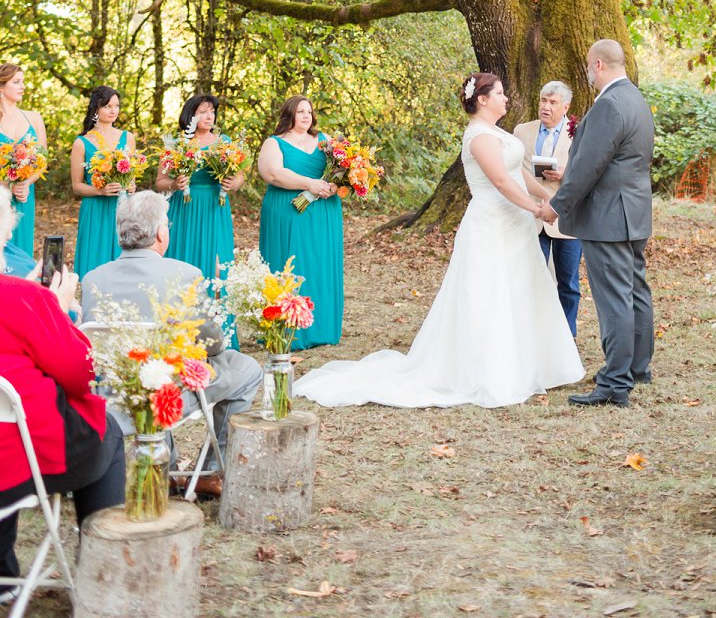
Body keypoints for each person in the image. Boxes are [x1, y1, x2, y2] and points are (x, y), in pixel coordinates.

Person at [299, 74, 583, 409]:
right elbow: (502, 182)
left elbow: (520, 175)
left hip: (515, 224)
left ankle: (534, 365)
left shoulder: (498, 132)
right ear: (482, 99)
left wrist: (550, 200)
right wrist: (538, 209)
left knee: (521, 290)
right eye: (500, 94)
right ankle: (490, 371)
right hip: (491, 223)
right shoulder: (478, 135)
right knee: (489, 294)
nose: (506, 98)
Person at [0, 196, 124, 584]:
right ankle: (101, 575)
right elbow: (81, 375)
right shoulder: (24, 299)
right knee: (109, 431)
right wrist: (56, 307)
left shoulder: (20, 296)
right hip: (22, 463)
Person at [80, 190, 262, 450]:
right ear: (160, 234)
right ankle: (211, 469)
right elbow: (213, 344)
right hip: (169, 396)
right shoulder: (185, 274)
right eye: (167, 223)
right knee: (247, 369)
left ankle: (169, 465)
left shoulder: (92, 279)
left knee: (155, 362)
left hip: (111, 397)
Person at [544, 40, 655, 407]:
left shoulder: (609, 104)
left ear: (597, 65)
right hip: (632, 212)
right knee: (635, 290)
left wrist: (557, 206)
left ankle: (615, 382)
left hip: (609, 215)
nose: (588, 73)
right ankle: (637, 367)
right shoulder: (635, 99)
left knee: (614, 299)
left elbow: (588, 166)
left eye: (589, 67)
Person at [256, 97, 344, 349]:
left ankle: (322, 328)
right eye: (300, 111)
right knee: (289, 264)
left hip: (323, 211)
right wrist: (310, 184)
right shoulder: (274, 143)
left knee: (320, 262)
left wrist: (335, 184)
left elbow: (340, 171)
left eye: (309, 111)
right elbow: (273, 174)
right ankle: (286, 327)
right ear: (289, 115)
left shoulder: (324, 141)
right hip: (287, 210)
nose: (306, 116)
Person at [514, 80, 583, 335]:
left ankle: (567, 336)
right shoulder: (523, 131)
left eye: (553, 102)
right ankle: (533, 335)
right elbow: (513, 167)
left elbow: (589, 172)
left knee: (568, 283)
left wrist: (566, 174)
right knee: (532, 279)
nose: (546, 106)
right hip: (531, 214)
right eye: (543, 100)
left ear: (565, 106)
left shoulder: (579, 133)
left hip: (567, 219)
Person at [160, 93, 244, 301]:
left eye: (212, 112)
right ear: (191, 116)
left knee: (217, 268)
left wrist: (232, 184)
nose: (209, 116)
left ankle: (217, 323)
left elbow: (240, 175)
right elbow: (160, 182)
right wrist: (175, 184)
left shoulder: (224, 142)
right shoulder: (178, 144)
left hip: (215, 206)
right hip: (184, 208)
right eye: (203, 112)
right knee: (183, 264)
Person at [69, 86, 130, 276]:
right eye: (108, 106)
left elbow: (131, 176)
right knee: (94, 262)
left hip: (121, 208)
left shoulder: (127, 138)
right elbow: (77, 186)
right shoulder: (81, 143)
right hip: (95, 207)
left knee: (122, 263)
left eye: (117, 106)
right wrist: (100, 191)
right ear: (96, 108)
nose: (114, 111)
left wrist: (130, 185)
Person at [0, 64, 46, 279]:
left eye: (23, 81)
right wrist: (7, 185)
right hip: (1, 196)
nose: (23, 87)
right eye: (16, 82)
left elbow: (42, 161)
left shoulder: (33, 118)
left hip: (25, 196)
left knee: (23, 250)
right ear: (1, 87)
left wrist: (26, 184)